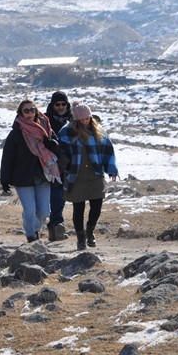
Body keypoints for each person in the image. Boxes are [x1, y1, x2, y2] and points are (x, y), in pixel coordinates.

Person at [57, 101, 118, 250]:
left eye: (87, 118)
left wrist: (111, 169)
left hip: (95, 174)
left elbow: (108, 149)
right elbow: (60, 152)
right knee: (79, 208)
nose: (85, 122)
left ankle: (90, 231)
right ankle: (80, 238)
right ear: (76, 119)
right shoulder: (67, 132)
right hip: (76, 175)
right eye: (81, 119)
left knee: (97, 205)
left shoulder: (98, 131)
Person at [0, 100, 61, 242]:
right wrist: (5, 179)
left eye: (32, 110)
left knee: (44, 212)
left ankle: (34, 229)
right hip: (23, 177)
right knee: (30, 211)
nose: (29, 113)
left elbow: (57, 149)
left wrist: (53, 144)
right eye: (25, 111)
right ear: (20, 113)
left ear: (36, 112)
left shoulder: (46, 128)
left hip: (43, 175)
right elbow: (7, 157)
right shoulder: (16, 133)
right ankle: (31, 235)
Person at [45, 90, 72, 241]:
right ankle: (57, 223)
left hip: (69, 163)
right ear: (52, 105)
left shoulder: (73, 119)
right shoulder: (46, 120)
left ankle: (54, 227)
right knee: (56, 193)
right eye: (58, 104)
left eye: (63, 104)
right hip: (51, 162)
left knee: (62, 195)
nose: (61, 107)